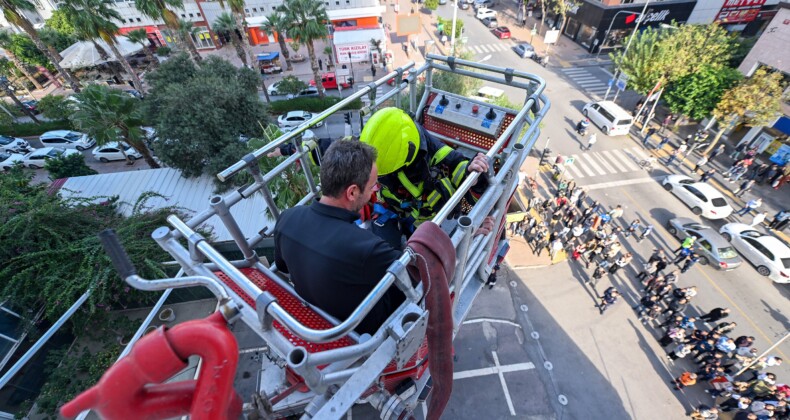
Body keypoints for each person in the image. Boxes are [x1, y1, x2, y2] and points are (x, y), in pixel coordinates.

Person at [270, 107, 489, 249]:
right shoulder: (372, 144)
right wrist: (287, 149)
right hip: (389, 212)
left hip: (427, 223)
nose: (374, 184)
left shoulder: (435, 153)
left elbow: (466, 179)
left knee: (421, 258)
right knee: (385, 255)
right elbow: (326, 149)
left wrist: (475, 172)